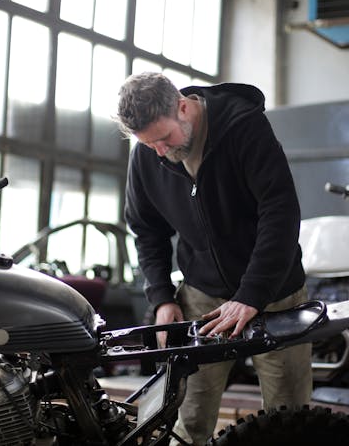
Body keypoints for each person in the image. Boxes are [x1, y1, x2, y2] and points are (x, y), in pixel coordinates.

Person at [116, 72, 311, 445]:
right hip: (201, 298)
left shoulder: (245, 127)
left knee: (290, 423)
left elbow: (280, 211)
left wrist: (252, 295)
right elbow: (146, 230)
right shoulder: (147, 153)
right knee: (186, 420)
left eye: (164, 138)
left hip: (275, 295)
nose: (159, 151)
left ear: (183, 107)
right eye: (148, 144)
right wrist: (161, 297)